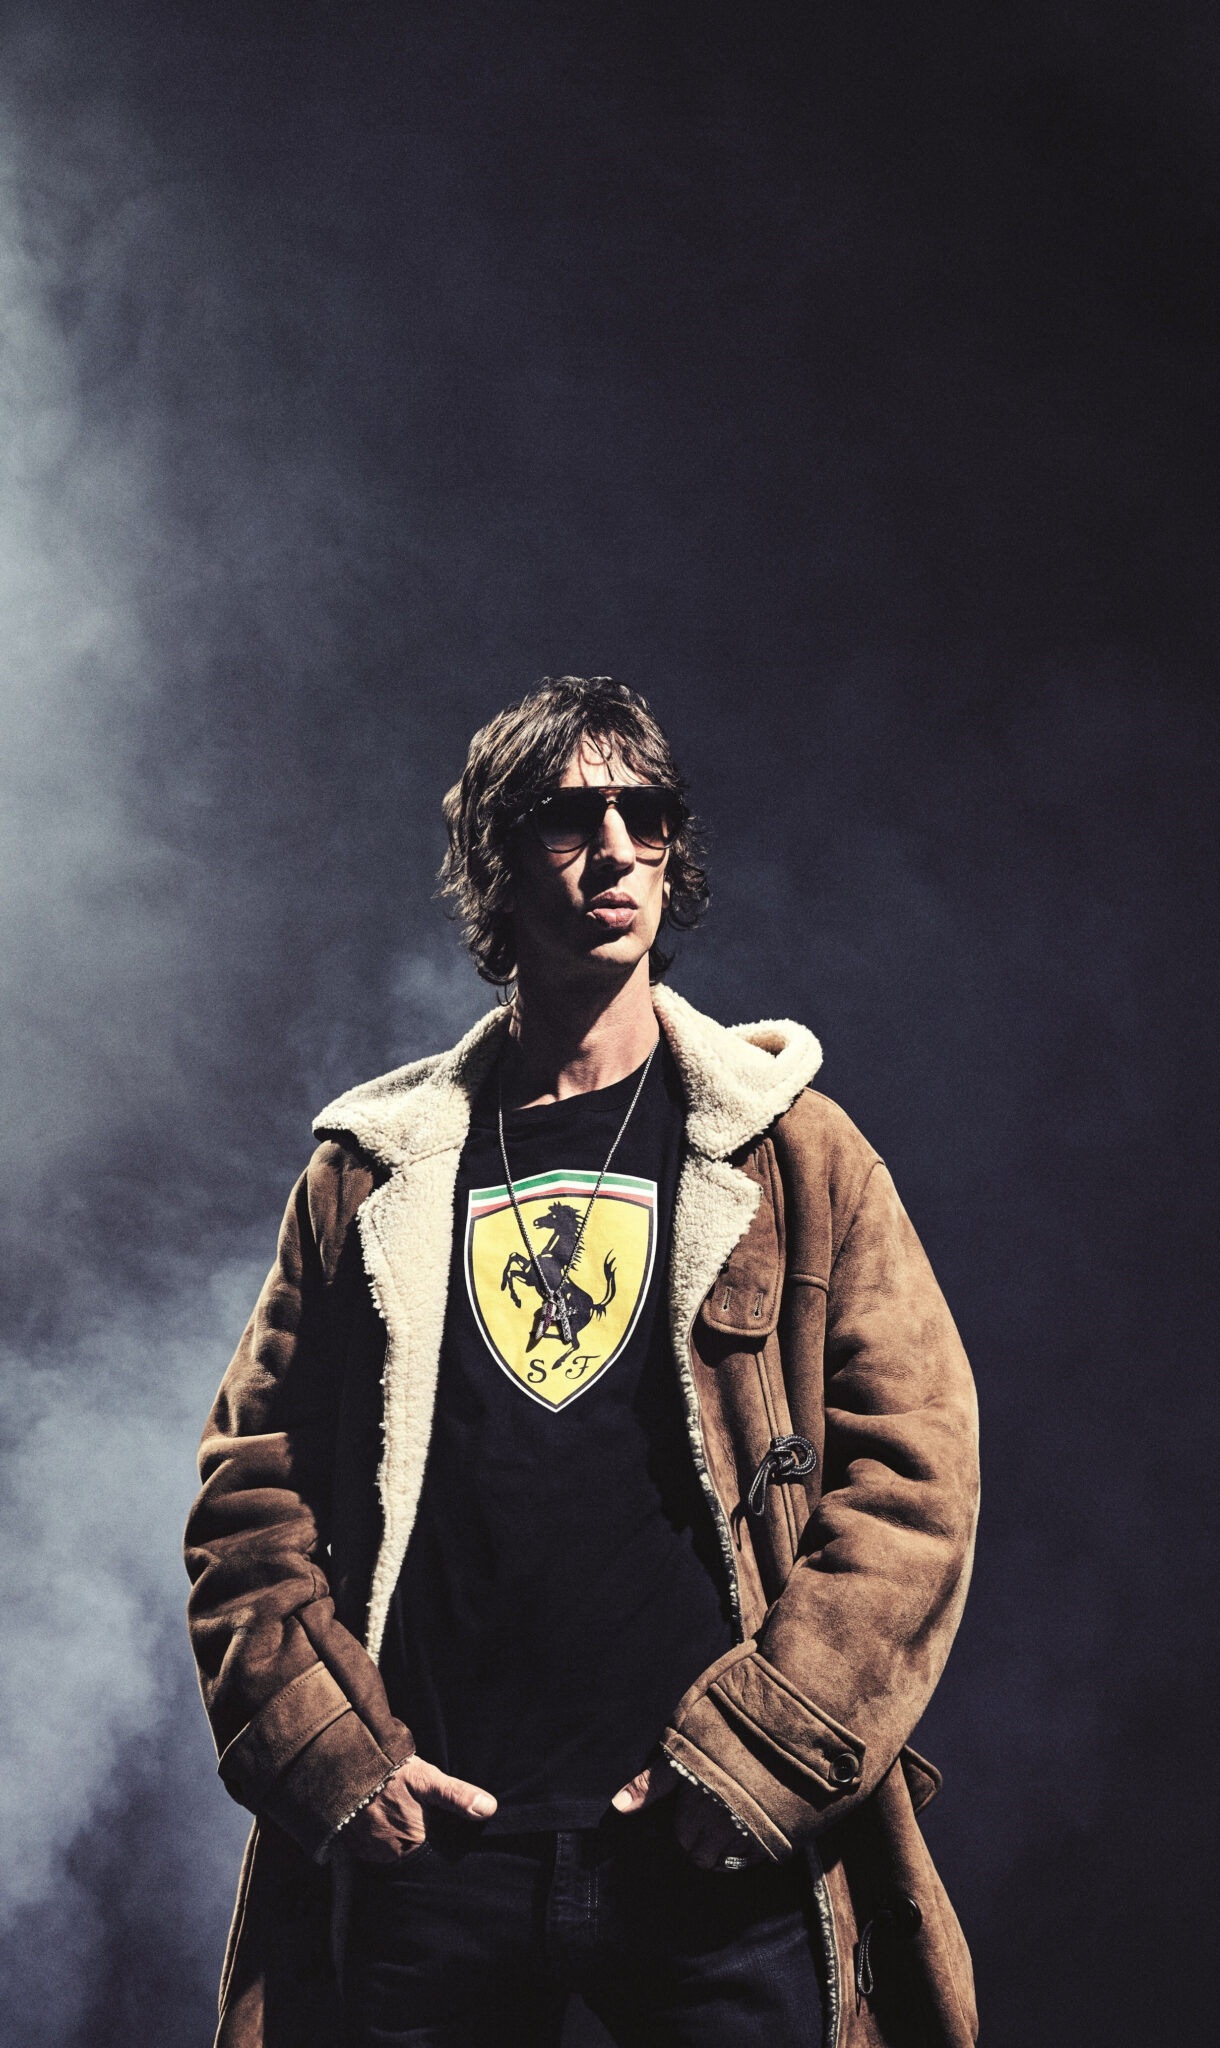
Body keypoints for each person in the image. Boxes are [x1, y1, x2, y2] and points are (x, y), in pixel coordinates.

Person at [185, 675, 980, 2048]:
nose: (615, 849)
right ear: (497, 860)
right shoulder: (370, 1176)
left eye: (644, 814)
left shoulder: (794, 1156)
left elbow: (918, 1484)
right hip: (434, 1857)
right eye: (568, 816)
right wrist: (336, 1761)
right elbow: (249, 1500)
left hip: (709, 1856)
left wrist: (758, 1760)